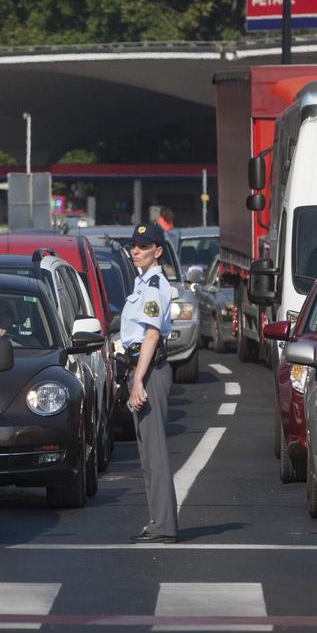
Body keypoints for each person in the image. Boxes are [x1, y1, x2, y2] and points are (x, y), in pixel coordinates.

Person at [121, 221, 178, 543]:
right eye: (133, 246)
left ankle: (164, 526)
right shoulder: (142, 283)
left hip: (150, 372)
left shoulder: (155, 285)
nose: (135, 252)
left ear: (157, 251)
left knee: (154, 454)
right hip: (141, 369)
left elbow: (152, 335)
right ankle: (158, 521)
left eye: (143, 247)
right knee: (147, 455)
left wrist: (138, 381)